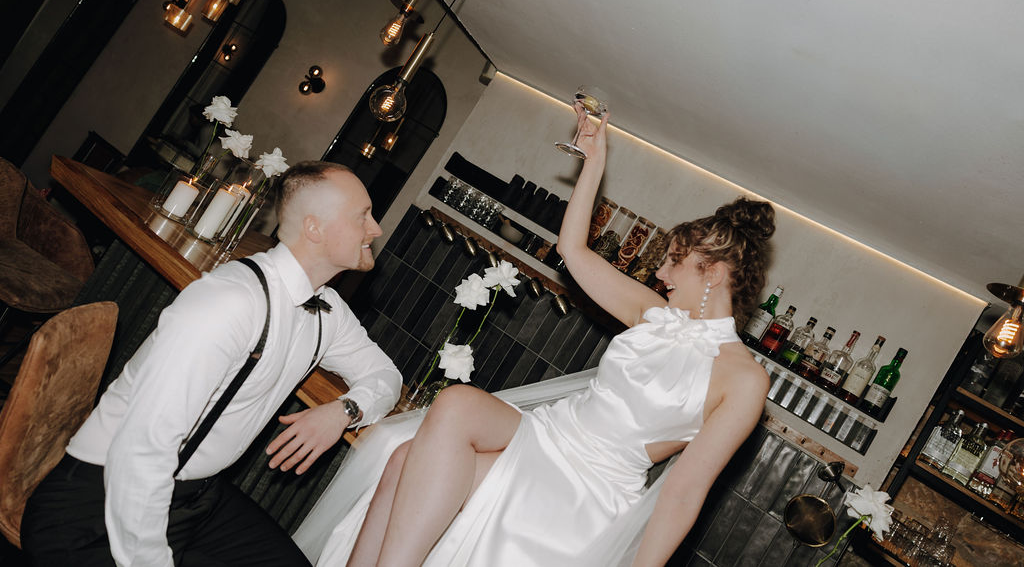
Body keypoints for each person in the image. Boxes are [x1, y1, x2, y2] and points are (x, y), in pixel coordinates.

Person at [295, 110, 775, 566]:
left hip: (592, 486)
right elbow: (572, 250)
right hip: (544, 432)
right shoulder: (656, 315)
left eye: (674, 261)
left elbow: (685, 491)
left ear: (712, 273)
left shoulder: (744, 380)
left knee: (411, 455)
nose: (661, 271)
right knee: (424, 436)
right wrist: (594, 163)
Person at [21, 161, 403, 567]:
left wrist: (344, 411)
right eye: (362, 216)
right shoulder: (229, 302)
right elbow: (140, 451)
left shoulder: (328, 310)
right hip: (100, 502)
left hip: (197, 496)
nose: (376, 229)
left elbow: (385, 376)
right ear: (314, 228)